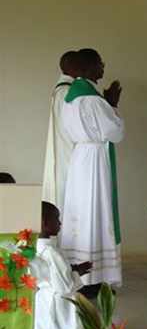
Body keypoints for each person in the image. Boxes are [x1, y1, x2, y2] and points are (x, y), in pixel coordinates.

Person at [61, 48, 124, 297]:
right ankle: (94, 278)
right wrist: (113, 105)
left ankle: (82, 274)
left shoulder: (70, 97)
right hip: (95, 161)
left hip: (80, 158)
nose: (103, 67)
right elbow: (116, 133)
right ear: (88, 67)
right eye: (100, 63)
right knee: (95, 212)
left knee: (82, 212)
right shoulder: (94, 100)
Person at [31, 202, 92, 329]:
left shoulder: (36, 246)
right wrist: (78, 273)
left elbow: (50, 274)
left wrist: (73, 269)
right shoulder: (52, 252)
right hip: (59, 303)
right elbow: (65, 286)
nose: (60, 223)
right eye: (56, 218)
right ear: (44, 223)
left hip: (44, 298)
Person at [42, 51, 81, 213]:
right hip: (68, 155)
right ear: (74, 67)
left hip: (64, 153)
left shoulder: (63, 90)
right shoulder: (67, 92)